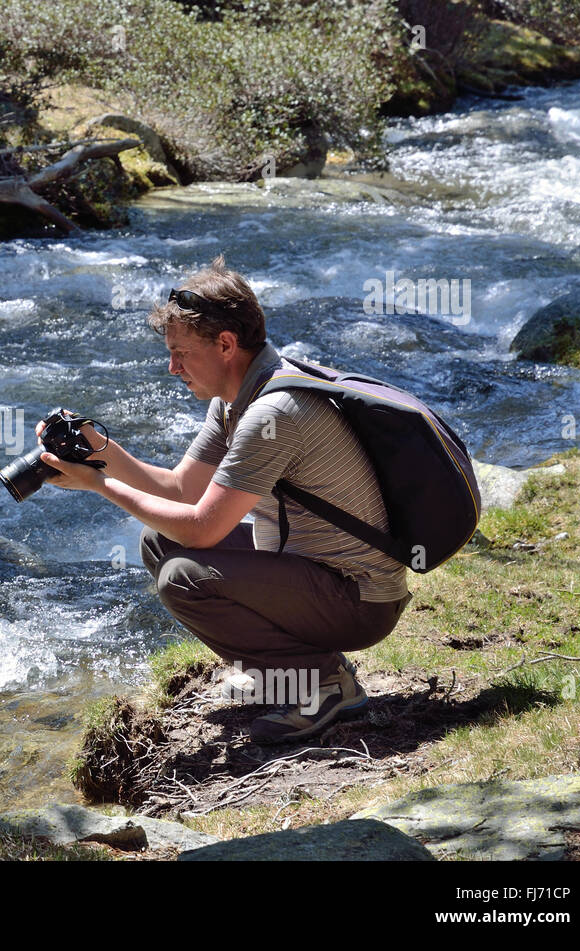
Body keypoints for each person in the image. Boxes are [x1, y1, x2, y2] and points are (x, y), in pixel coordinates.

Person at [38, 254, 413, 743]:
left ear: (226, 344)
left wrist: (100, 485)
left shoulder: (271, 413)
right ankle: (286, 671)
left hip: (358, 596)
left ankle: (323, 681)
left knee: (184, 577)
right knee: (159, 543)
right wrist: (98, 449)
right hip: (313, 570)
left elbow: (203, 529)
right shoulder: (237, 399)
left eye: (181, 353)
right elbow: (181, 491)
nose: (171, 367)